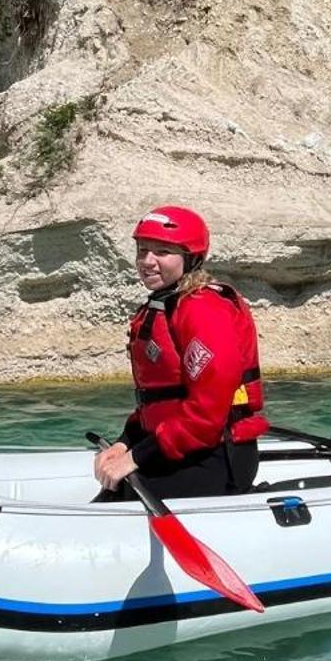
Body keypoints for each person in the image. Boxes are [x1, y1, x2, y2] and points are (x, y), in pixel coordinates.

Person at [93, 206, 269, 500]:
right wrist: (125, 443)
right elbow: (159, 400)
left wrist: (136, 458)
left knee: (117, 498)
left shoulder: (202, 308)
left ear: (190, 259)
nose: (147, 261)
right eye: (143, 250)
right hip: (174, 448)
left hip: (213, 457)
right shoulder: (168, 304)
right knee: (112, 493)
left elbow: (207, 413)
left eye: (162, 252)